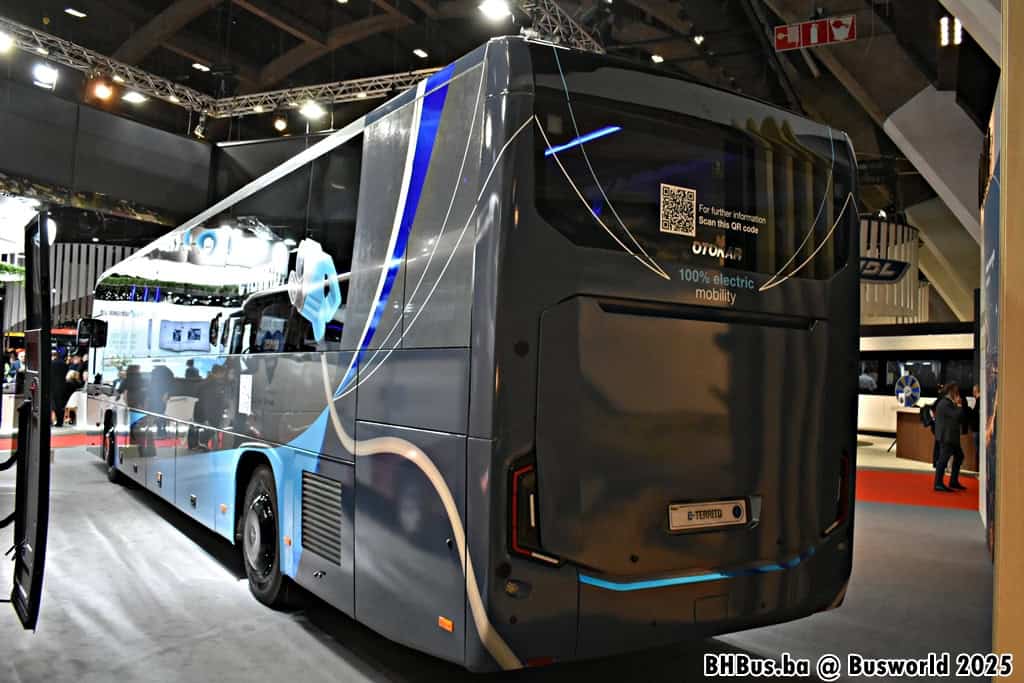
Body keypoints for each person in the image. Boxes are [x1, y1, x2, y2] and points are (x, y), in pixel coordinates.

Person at [933, 382, 967, 492]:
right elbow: (957, 416)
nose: (957, 394)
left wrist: (958, 406)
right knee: (943, 459)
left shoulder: (947, 403)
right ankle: (938, 483)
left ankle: (953, 481)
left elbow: (959, 417)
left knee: (959, 456)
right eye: (956, 392)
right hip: (947, 437)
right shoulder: (945, 404)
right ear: (951, 391)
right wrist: (959, 405)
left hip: (951, 437)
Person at [51, 350, 69, 427]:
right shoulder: (64, 364)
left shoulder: (51, 364)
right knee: (60, 405)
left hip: (52, 386)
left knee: (54, 404)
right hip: (62, 386)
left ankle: (52, 421)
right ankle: (60, 421)